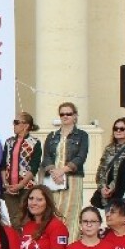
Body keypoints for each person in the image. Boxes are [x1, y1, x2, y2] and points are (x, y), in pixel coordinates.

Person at [41, 102, 89, 239]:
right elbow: (47, 157)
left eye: (69, 113)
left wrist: (63, 170)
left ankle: (70, 247)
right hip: (53, 178)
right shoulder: (52, 136)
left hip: (72, 178)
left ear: (75, 116)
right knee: (53, 211)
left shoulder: (82, 135)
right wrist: (54, 172)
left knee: (70, 214)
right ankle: (54, 245)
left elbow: (81, 157)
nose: (65, 116)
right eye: (62, 114)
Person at [0, 112, 41, 225]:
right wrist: (5, 183)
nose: (14, 125)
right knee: (14, 219)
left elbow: (34, 167)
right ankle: (17, 242)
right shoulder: (9, 142)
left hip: (26, 188)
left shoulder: (35, 143)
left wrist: (20, 185)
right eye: (14, 123)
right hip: (9, 188)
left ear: (26, 125)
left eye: (16, 123)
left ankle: (27, 241)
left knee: (27, 218)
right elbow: (3, 164)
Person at [94, 118, 125, 210]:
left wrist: (112, 187)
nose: (118, 131)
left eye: (122, 129)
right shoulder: (109, 148)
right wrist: (102, 188)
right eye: (116, 128)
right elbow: (101, 171)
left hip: (123, 193)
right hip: (106, 195)